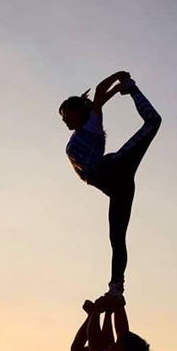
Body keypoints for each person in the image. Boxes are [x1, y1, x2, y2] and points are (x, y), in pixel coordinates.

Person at [60, 71, 162, 298]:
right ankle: (116, 287)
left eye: (66, 113)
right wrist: (117, 90)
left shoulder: (92, 125)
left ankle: (134, 89)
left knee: (154, 122)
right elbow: (100, 99)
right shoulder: (85, 126)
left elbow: (98, 93)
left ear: (78, 111)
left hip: (115, 168)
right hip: (118, 188)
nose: (64, 118)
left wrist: (120, 78)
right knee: (116, 238)